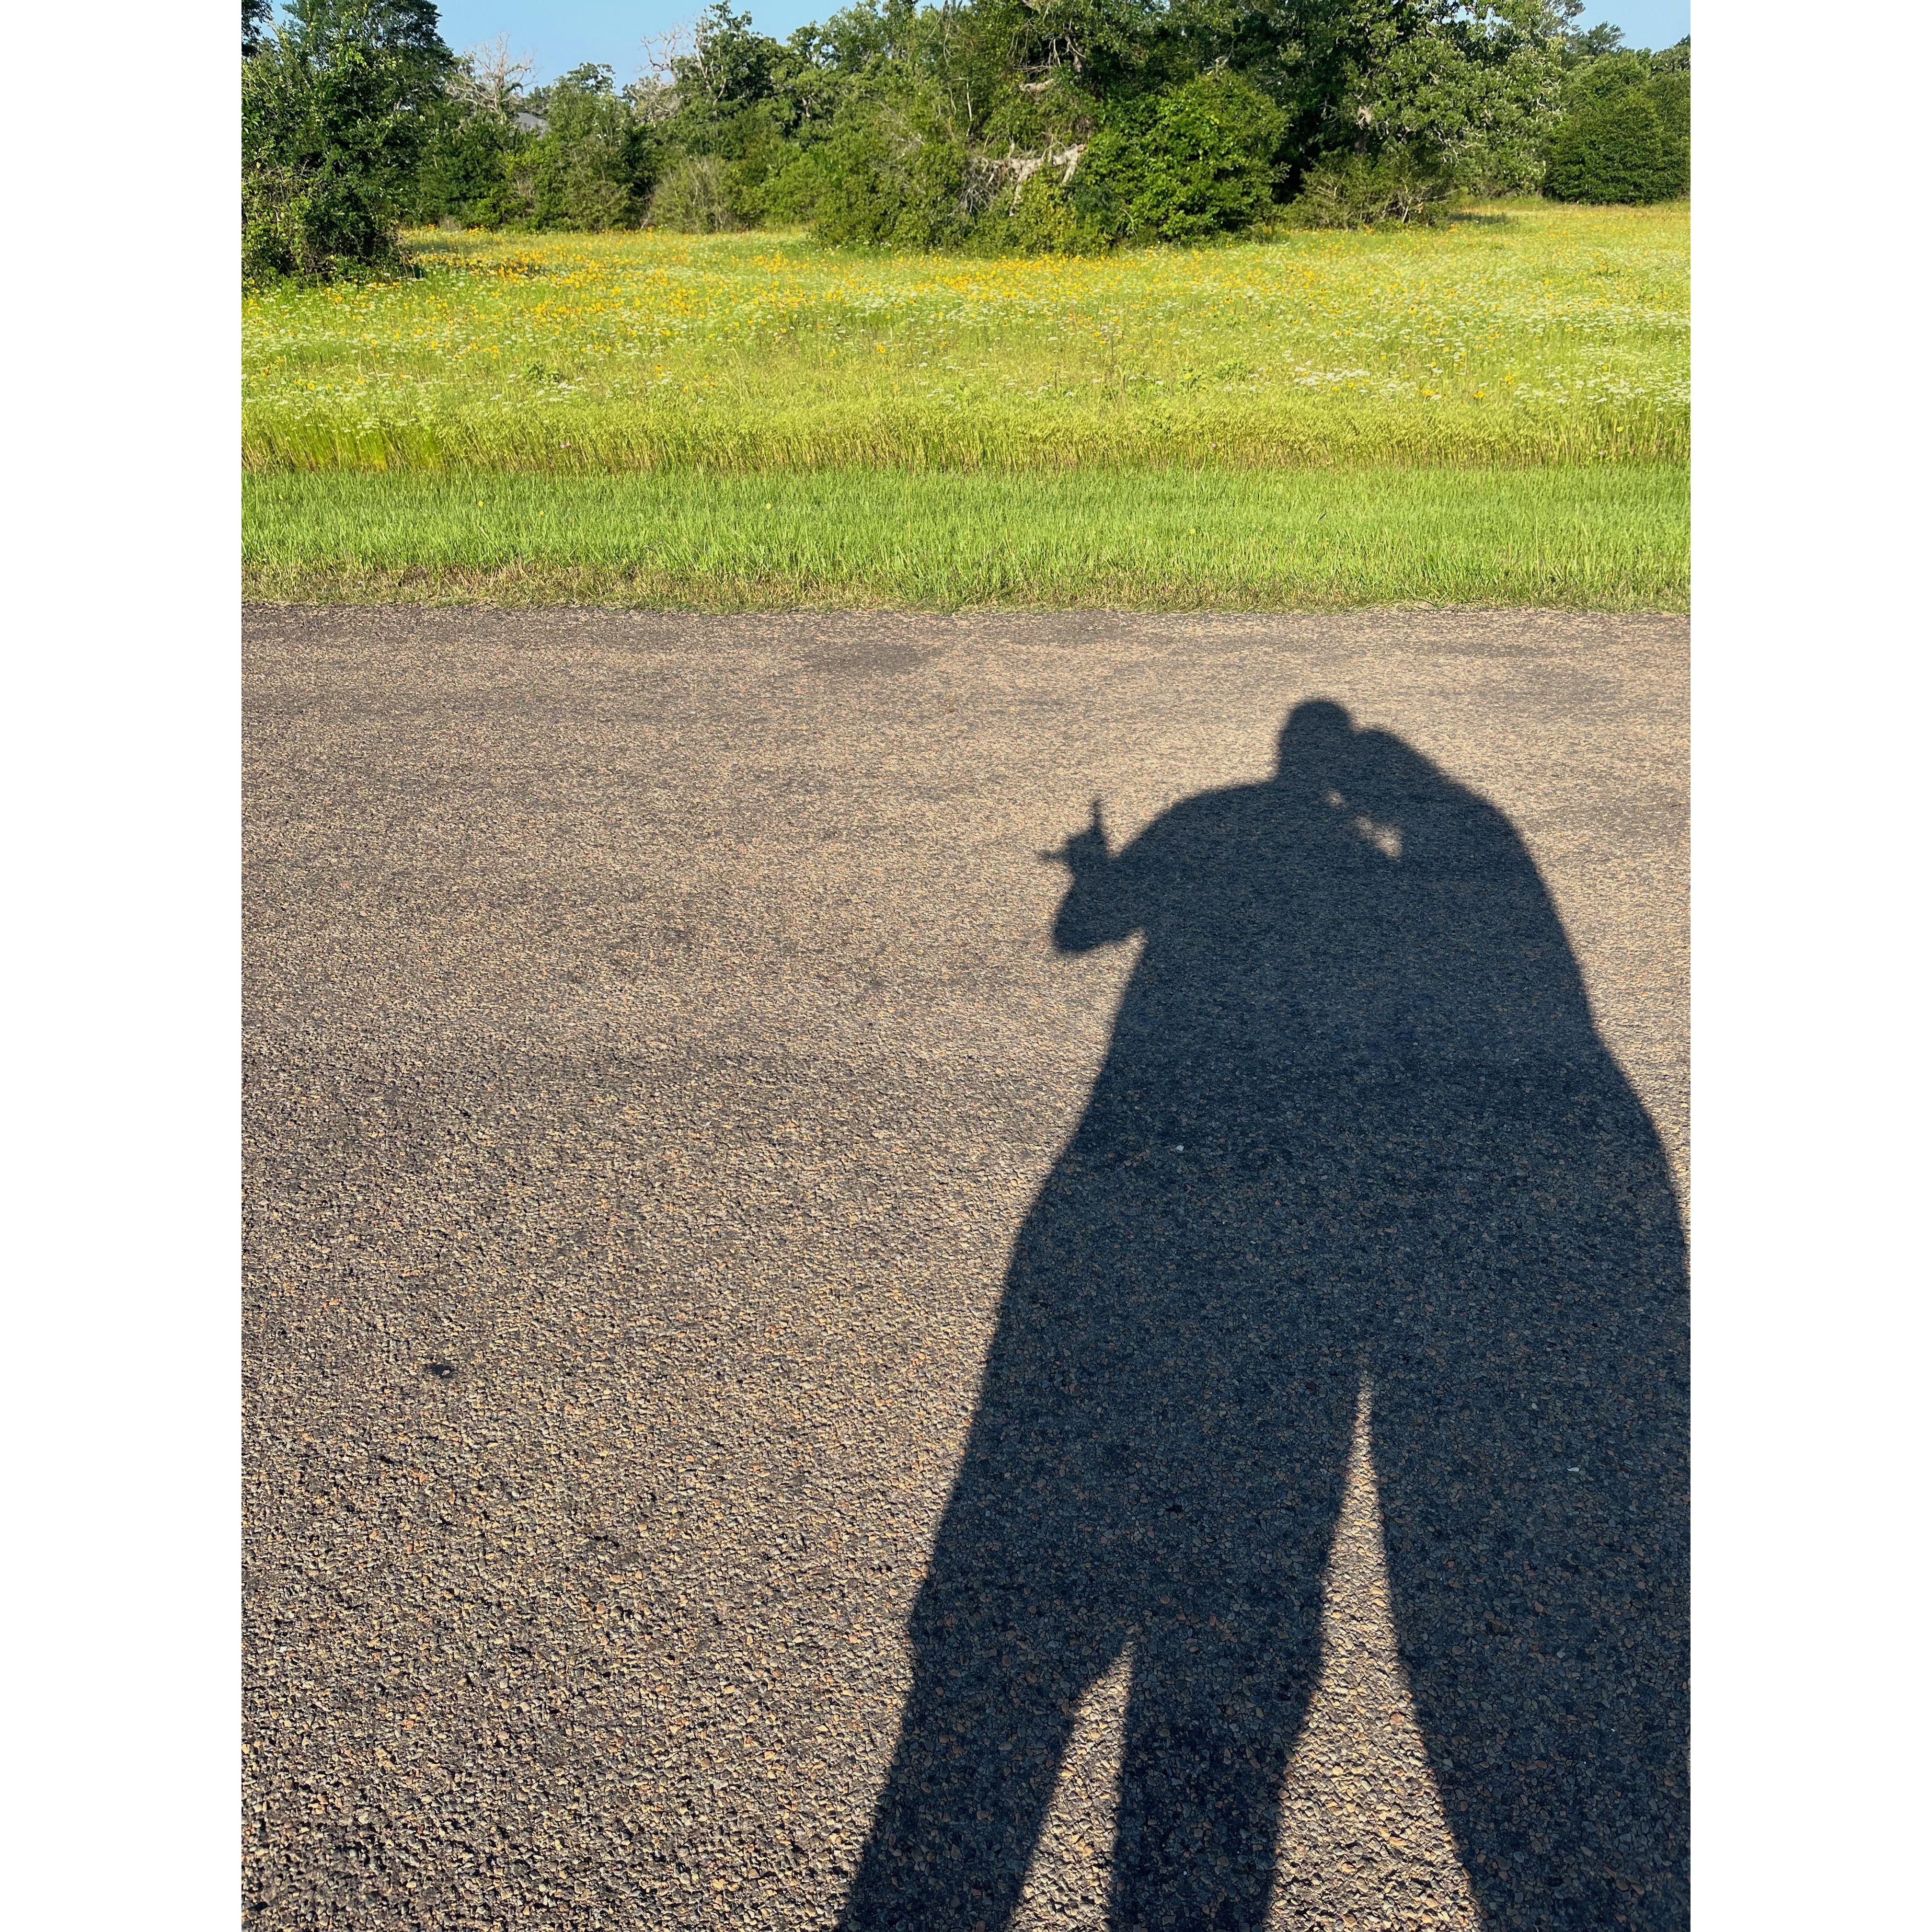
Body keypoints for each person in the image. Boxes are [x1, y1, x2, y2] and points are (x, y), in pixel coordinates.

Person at [842, 702, 1688, 1932]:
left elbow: (1088, 930)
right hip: (1329, 1193)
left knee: (997, 1689)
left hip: (1137, 1163)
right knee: (1242, 1651)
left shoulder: (1209, 822)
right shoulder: (1395, 864)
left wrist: (1090, 865)